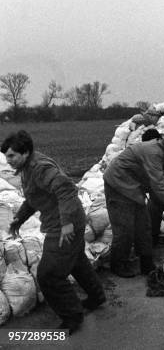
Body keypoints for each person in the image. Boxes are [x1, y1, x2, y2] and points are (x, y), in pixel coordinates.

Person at [1, 131, 105, 335]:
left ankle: (72, 316)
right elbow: (34, 197)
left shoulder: (39, 167)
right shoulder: (27, 168)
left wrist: (66, 225)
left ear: (26, 152)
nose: (8, 161)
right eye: (6, 157)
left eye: (12, 156)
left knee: (48, 275)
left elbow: (66, 190)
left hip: (64, 224)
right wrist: (19, 219)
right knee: (75, 260)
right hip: (64, 221)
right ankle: (96, 297)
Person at [103, 129, 164, 277]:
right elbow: (158, 184)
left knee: (143, 227)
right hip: (118, 184)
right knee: (125, 229)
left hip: (134, 188)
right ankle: (118, 264)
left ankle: (146, 264)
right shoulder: (154, 151)